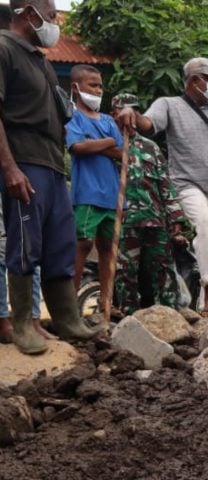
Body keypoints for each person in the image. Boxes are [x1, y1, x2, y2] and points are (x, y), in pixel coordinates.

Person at [0, 0, 100, 354]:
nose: (56, 24)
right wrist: (9, 168)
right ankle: (24, 322)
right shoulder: (4, 48)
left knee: (60, 242)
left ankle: (67, 319)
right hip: (24, 160)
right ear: (29, 13)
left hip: (53, 163)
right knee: (26, 243)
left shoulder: (39, 59)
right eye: (53, 16)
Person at [116, 57, 208, 317]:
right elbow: (148, 125)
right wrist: (133, 113)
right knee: (205, 225)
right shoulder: (169, 105)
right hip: (186, 183)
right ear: (195, 81)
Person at [109, 93, 189, 316]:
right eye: (123, 111)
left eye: (134, 111)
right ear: (113, 114)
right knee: (125, 274)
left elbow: (165, 184)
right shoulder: (109, 143)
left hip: (154, 220)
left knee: (164, 271)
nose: (129, 116)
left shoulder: (150, 147)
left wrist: (175, 219)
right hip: (124, 223)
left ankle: (170, 316)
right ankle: (128, 317)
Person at [66, 64, 123, 318]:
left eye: (100, 86)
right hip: (87, 193)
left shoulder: (109, 121)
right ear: (76, 88)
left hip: (112, 195)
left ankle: (106, 301)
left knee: (108, 248)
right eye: (92, 85)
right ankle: (68, 306)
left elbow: (122, 152)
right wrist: (109, 142)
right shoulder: (72, 116)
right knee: (82, 243)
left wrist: (97, 144)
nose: (98, 90)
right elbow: (77, 147)